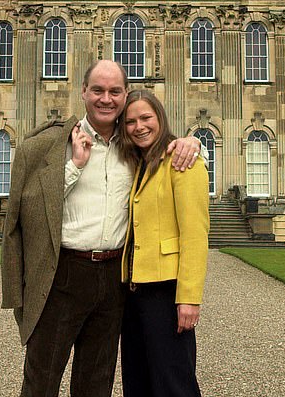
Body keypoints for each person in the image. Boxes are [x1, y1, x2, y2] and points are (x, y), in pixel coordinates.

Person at [1, 60, 202, 397]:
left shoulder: (135, 149)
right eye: (98, 90)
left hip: (113, 280)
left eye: (114, 91)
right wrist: (74, 167)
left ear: (124, 96)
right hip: (62, 275)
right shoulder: (50, 145)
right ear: (83, 92)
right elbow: (26, 213)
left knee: (96, 384)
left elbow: (171, 160)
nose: (106, 99)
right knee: (41, 381)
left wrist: (195, 145)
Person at [119, 89, 210, 397]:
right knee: (138, 381)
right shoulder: (139, 163)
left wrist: (190, 298)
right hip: (134, 291)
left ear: (160, 118)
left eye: (146, 117)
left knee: (173, 384)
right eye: (130, 121)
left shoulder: (183, 161)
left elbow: (195, 234)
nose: (139, 126)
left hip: (166, 292)